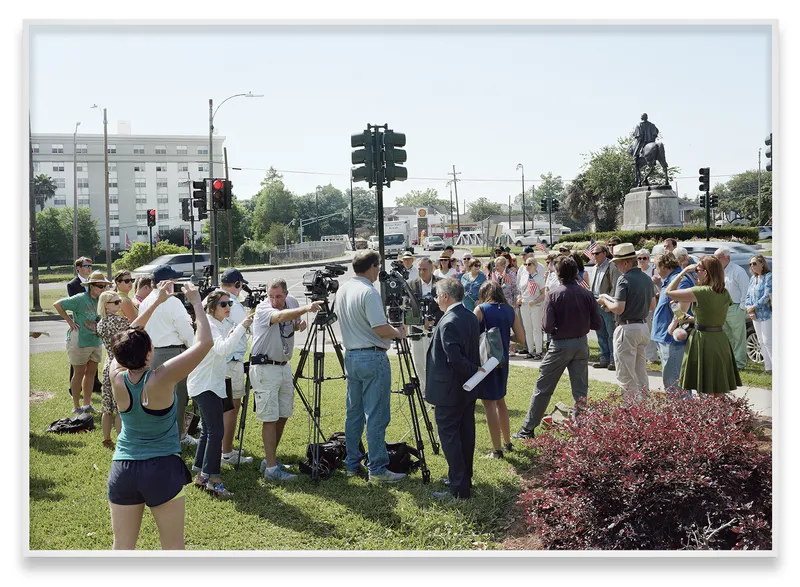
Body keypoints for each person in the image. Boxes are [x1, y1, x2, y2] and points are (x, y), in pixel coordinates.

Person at [106, 282, 213, 550]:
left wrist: (155, 302)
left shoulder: (115, 374)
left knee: (122, 548)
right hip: (161, 468)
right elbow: (205, 342)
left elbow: (129, 334)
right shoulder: (162, 377)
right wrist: (196, 302)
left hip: (123, 470)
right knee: (173, 549)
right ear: (150, 353)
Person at [336, 250, 407, 483]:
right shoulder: (369, 291)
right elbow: (379, 327)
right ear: (373, 267)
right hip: (372, 356)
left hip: (352, 356)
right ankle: (377, 468)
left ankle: (352, 463)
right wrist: (398, 332)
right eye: (377, 267)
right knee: (376, 415)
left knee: (354, 414)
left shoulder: (343, 289)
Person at [514, 255, 603, 439]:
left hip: (560, 344)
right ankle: (581, 428)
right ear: (575, 274)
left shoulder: (553, 294)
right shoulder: (586, 294)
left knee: (543, 387)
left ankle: (527, 429)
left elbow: (546, 326)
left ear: (558, 274)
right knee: (580, 391)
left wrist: (559, 328)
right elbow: (597, 324)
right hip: (581, 343)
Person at [250, 278, 321, 482]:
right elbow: (279, 317)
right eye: (271, 296)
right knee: (269, 418)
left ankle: (269, 460)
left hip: (283, 366)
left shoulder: (293, 303)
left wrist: (299, 324)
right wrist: (307, 309)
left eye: (279, 296)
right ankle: (272, 470)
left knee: (283, 414)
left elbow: (290, 321)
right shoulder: (263, 309)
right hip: (265, 368)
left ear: (287, 294)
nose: (274, 300)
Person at [187, 290, 253, 497]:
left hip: (211, 383)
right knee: (216, 431)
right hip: (205, 385)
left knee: (209, 429)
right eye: (224, 304)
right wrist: (242, 327)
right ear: (212, 307)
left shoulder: (219, 323)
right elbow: (223, 350)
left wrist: (241, 326)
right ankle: (214, 479)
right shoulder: (209, 326)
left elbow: (230, 338)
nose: (228, 308)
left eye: (230, 304)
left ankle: (201, 474)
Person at [426, 278, 483, 500]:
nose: (436, 299)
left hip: (450, 390)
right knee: (465, 434)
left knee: (451, 437)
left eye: (437, 295)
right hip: (466, 389)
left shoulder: (449, 321)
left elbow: (456, 360)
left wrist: (476, 370)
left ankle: (459, 488)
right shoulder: (469, 315)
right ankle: (462, 477)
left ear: (446, 296)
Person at [96, 284, 171, 449]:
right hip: (121, 365)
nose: (120, 304)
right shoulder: (120, 321)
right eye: (115, 302)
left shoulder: (100, 323)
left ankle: (106, 439)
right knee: (120, 407)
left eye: (119, 301)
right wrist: (156, 304)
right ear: (105, 305)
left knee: (106, 406)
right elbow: (136, 326)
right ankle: (122, 437)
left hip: (108, 363)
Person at [138, 265, 197, 446]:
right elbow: (186, 332)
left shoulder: (147, 301)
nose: (176, 283)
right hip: (172, 352)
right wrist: (195, 347)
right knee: (178, 397)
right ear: (166, 282)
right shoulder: (172, 302)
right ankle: (178, 435)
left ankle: (159, 433)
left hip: (153, 352)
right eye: (173, 280)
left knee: (158, 396)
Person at [666, 256, 742, 396]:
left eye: (698, 270)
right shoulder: (724, 292)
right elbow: (715, 317)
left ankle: (707, 415)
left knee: (702, 384)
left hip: (703, 340)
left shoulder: (700, 291)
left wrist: (683, 272)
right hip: (720, 339)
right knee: (717, 385)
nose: (696, 272)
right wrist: (694, 319)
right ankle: (721, 416)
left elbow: (669, 292)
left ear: (706, 272)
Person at [597, 243, 657, 400]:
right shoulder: (646, 278)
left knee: (625, 374)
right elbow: (652, 305)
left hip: (627, 329)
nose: (616, 267)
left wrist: (605, 300)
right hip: (643, 327)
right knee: (640, 372)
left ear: (626, 262)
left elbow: (619, 308)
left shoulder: (624, 279)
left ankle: (630, 411)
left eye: (617, 263)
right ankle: (645, 405)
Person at [474, 281, 525, 458]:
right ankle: (507, 442)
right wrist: (504, 335)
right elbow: (521, 338)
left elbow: (471, 335)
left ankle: (496, 450)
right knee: (501, 401)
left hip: (486, 361)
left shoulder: (481, 309)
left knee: (489, 404)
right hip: (503, 361)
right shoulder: (510, 310)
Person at [53, 270, 110, 415]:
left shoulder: (101, 301)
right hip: (80, 341)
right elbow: (58, 304)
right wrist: (70, 321)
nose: (103, 289)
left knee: (91, 373)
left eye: (104, 286)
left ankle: (87, 405)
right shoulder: (79, 299)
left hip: (95, 341)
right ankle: (76, 406)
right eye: (100, 286)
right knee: (79, 373)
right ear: (91, 286)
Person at [217, 268, 254, 466]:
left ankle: (220, 448)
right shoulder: (233, 303)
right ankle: (227, 452)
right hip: (231, 360)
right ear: (237, 284)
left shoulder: (212, 298)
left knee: (218, 407)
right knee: (232, 407)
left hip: (216, 360)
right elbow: (250, 327)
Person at [650, 253, 695, 392]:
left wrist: (674, 323)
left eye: (656, 267)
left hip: (673, 339)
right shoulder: (670, 279)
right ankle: (678, 409)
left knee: (674, 380)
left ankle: (680, 411)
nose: (656, 270)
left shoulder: (679, 280)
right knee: (671, 379)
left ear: (663, 266)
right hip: (666, 337)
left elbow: (684, 303)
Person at [66, 257, 101, 397]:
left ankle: (95, 384)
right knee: (77, 360)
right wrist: (70, 322)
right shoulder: (73, 284)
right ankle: (74, 387)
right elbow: (76, 304)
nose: (89, 268)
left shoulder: (94, 282)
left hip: (94, 325)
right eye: (86, 265)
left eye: (91, 265)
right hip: (81, 326)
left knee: (94, 356)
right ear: (78, 268)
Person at [408, 257, 443, 393]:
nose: (422, 272)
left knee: (437, 362)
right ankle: (425, 391)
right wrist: (421, 321)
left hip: (437, 330)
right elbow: (407, 309)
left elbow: (446, 307)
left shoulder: (441, 283)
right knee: (419, 362)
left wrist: (434, 320)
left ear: (432, 268)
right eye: (420, 270)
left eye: (425, 269)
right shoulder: (411, 285)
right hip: (417, 331)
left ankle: (437, 391)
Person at [714, 247, 751, 370]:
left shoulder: (738, 271)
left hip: (735, 307)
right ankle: (729, 362)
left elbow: (746, 290)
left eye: (718, 257)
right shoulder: (718, 271)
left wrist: (741, 307)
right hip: (721, 308)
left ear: (727, 258)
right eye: (715, 258)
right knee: (726, 337)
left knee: (738, 337)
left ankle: (739, 364)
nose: (716, 260)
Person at [589, 244, 620, 371]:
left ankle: (613, 360)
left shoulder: (611, 266)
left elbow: (615, 286)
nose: (594, 256)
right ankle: (604, 358)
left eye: (596, 253)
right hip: (596, 303)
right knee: (600, 333)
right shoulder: (595, 268)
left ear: (604, 253)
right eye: (593, 254)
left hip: (607, 304)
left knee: (611, 333)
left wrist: (610, 304)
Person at [745, 254, 773, 375]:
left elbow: (767, 295)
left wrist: (754, 306)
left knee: (768, 341)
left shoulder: (769, 277)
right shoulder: (752, 279)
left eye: (754, 263)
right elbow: (747, 296)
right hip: (755, 315)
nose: (752, 266)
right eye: (750, 264)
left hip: (767, 314)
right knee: (760, 341)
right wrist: (750, 310)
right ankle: (768, 368)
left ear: (762, 264)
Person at [515, 255, 546, 359]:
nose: (527, 266)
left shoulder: (539, 278)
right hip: (524, 304)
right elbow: (520, 291)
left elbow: (543, 294)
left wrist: (536, 300)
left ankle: (538, 351)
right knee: (527, 329)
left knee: (536, 328)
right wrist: (519, 297)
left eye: (529, 264)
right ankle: (530, 350)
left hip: (536, 305)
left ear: (534, 266)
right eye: (525, 264)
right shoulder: (524, 277)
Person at [637, 249, 660, 363]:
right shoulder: (636, 272)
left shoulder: (654, 272)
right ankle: (643, 356)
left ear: (649, 259)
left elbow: (660, 287)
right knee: (640, 332)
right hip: (638, 305)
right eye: (639, 258)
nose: (642, 260)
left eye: (644, 258)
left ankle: (652, 357)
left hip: (651, 304)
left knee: (650, 330)